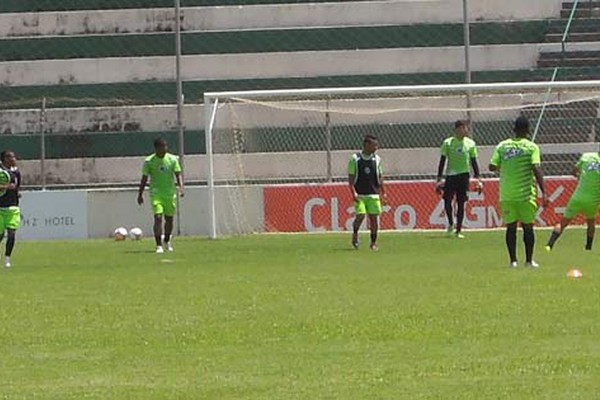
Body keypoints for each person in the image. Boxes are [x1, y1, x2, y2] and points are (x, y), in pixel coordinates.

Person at [489, 116, 548, 268]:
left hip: (507, 195)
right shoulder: (531, 147)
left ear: (514, 129)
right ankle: (528, 261)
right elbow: (536, 168)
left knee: (511, 227)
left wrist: (507, 165)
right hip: (525, 195)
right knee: (528, 227)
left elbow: (492, 166)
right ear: (528, 130)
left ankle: (513, 261)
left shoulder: (502, 146)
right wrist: (544, 192)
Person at [435, 120, 482, 238]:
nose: (465, 130)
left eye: (465, 128)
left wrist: (478, 179)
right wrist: (439, 178)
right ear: (456, 130)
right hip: (451, 175)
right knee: (447, 200)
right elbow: (442, 161)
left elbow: (474, 162)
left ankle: (458, 230)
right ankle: (451, 223)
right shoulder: (448, 143)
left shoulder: (470, 144)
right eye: (462, 128)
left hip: (464, 175)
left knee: (461, 203)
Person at [137, 138, 184, 254]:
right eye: (162, 147)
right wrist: (140, 194)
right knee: (158, 218)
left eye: (165, 147)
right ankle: (158, 245)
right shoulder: (149, 161)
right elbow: (144, 178)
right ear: (156, 148)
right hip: (156, 193)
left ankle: (167, 241)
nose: (164, 149)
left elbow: (178, 174)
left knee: (169, 220)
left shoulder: (173, 159)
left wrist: (181, 187)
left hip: (169, 193)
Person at [546, 152, 600, 251]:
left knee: (563, 223)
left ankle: (549, 245)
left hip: (577, 197)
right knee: (591, 223)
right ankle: (588, 247)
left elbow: (574, 171)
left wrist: (581, 177)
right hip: (593, 200)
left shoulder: (587, 156)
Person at [348, 134, 386, 251]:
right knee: (361, 215)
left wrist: (383, 192)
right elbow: (351, 178)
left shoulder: (377, 159)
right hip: (360, 194)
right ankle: (355, 234)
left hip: (373, 194)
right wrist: (353, 192)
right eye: (374, 145)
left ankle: (373, 243)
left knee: (374, 218)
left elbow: (380, 177)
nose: (376, 147)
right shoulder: (355, 159)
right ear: (366, 145)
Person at [0, 151, 22, 268]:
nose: (13, 158)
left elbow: (17, 187)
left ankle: (7, 259)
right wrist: (6, 187)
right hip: (0, 208)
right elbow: (8, 187)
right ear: (4, 159)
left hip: (13, 208)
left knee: (12, 234)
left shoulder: (16, 172)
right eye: (10, 157)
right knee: (0, 235)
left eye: (14, 156)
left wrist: (17, 193)